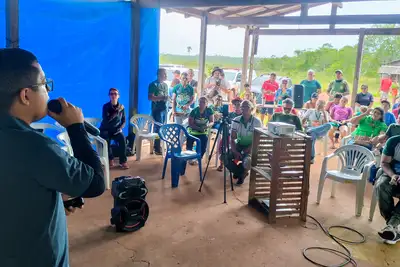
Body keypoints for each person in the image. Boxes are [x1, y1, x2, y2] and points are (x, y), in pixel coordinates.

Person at [0, 48, 105, 266]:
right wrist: (76, 127)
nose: (49, 90)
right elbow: (96, 183)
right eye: (44, 84)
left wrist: (55, 200)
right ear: (26, 95)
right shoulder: (35, 146)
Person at [229, 100, 262, 185]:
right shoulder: (236, 120)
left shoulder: (257, 122)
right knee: (224, 157)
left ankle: (243, 174)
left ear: (251, 109)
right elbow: (232, 138)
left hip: (251, 147)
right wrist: (234, 151)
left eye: (246, 107)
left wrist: (249, 149)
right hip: (239, 145)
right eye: (242, 107)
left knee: (248, 161)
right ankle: (239, 172)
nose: (244, 109)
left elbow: (257, 140)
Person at [374, 135, 400, 244]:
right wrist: (393, 175)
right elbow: (384, 163)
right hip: (392, 174)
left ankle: (391, 226)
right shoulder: (394, 141)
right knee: (381, 185)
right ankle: (393, 225)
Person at [99, 88, 128, 169]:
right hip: (106, 129)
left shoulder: (122, 107)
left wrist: (120, 128)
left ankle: (123, 161)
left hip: (116, 129)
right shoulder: (106, 106)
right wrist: (117, 110)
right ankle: (110, 158)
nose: (113, 95)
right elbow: (107, 119)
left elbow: (124, 120)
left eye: (115, 94)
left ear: (118, 96)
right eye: (111, 94)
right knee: (106, 139)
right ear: (109, 96)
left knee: (122, 138)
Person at [187, 97, 214, 164]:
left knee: (204, 141)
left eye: (203, 102)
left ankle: (199, 157)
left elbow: (212, 121)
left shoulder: (209, 110)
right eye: (200, 102)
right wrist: (199, 128)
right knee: (189, 140)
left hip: (203, 131)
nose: (201, 104)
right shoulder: (194, 111)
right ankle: (189, 158)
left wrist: (207, 126)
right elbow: (190, 124)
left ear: (207, 104)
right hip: (193, 130)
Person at [148, 68, 169, 155]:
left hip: (164, 109)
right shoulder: (153, 85)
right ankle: (157, 147)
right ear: (159, 74)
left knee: (163, 127)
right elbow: (150, 97)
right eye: (164, 74)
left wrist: (166, 98)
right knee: (158, 128)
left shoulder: (165, 85)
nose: (166, 75)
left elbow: (166, 96)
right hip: (157, 110)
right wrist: (161, 98)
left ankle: (160, 145)